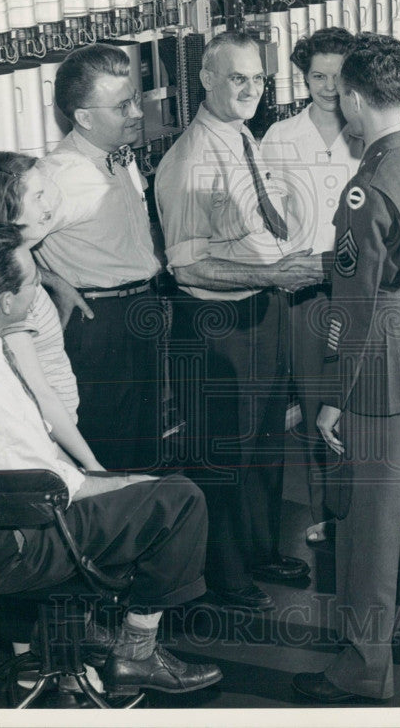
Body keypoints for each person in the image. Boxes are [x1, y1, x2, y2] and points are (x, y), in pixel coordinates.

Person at [0, 224, 222, 695]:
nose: (40, 288)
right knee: (180, 499)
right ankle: (136, 654)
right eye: (34, 281)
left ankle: (76, 631)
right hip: (11, 549)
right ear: (7, 302)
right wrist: (132, 481)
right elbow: (59, 488)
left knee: (136, 489)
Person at [292, 33, 400, 703]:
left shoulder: (366, 192)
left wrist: (335, 394)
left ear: (356, 98)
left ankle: (364, 667)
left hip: (383, 374)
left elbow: (355, 307)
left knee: (367, 528)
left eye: (341, 95)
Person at [154, 30, 326, 612]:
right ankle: (225, 577)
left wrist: (282, 265)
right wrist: (276, 276)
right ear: (206, 79)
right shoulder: (191, 159)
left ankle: (259, 551)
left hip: (261, 312)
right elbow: (188, 266)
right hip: (216, 329)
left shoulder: (241, 137)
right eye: (237, 78)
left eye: (258, 78)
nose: (251, 89)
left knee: (265, 445)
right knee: (223, 454)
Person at [35, 44, 164, 472]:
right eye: (122, 105)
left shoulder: (119, 156)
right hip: (98, 324)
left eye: (134, 99)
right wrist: (54, 283)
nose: (137, 112)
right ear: (84, 117)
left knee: (146, 447)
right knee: (107, 451)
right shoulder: (59, 175)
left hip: (139, 311)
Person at [260, 27, 363, 545]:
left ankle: (362, 512)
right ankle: (329, 513)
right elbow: (264, 211)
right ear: (303, 79)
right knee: (315, 402)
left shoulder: (368, 130)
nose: (328, 87)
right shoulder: (280, 137)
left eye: (338, 76)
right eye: (317, 76)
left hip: (357, 287)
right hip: (305, 290)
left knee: (356, 402)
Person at [0, 151, 104, 474]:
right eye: (37, 198)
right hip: (50, 443)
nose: (48, 209)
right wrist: (88, 464)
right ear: (7, 207)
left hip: (55, 435)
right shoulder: (11, 288)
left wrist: (52, 280)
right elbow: (37, 393)